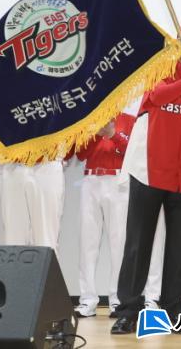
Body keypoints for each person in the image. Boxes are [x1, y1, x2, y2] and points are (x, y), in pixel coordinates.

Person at [111, 19, 181, 334]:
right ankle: (129, 310)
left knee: (180, 247)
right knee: (138, 243)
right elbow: (155, 98)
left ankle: (175, 310)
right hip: (149, 171)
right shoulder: (158, 72)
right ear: (177, 43)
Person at [73, 113, 135, 318]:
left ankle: (117, 299)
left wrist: (113, 133)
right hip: (91, 180)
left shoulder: (128, 120)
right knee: (87, 242)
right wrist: (97, 133)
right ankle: (87, 300)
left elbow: (133, 152)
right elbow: (80, 154)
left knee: (119, 242)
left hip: (118, 180)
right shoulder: (89, 119)